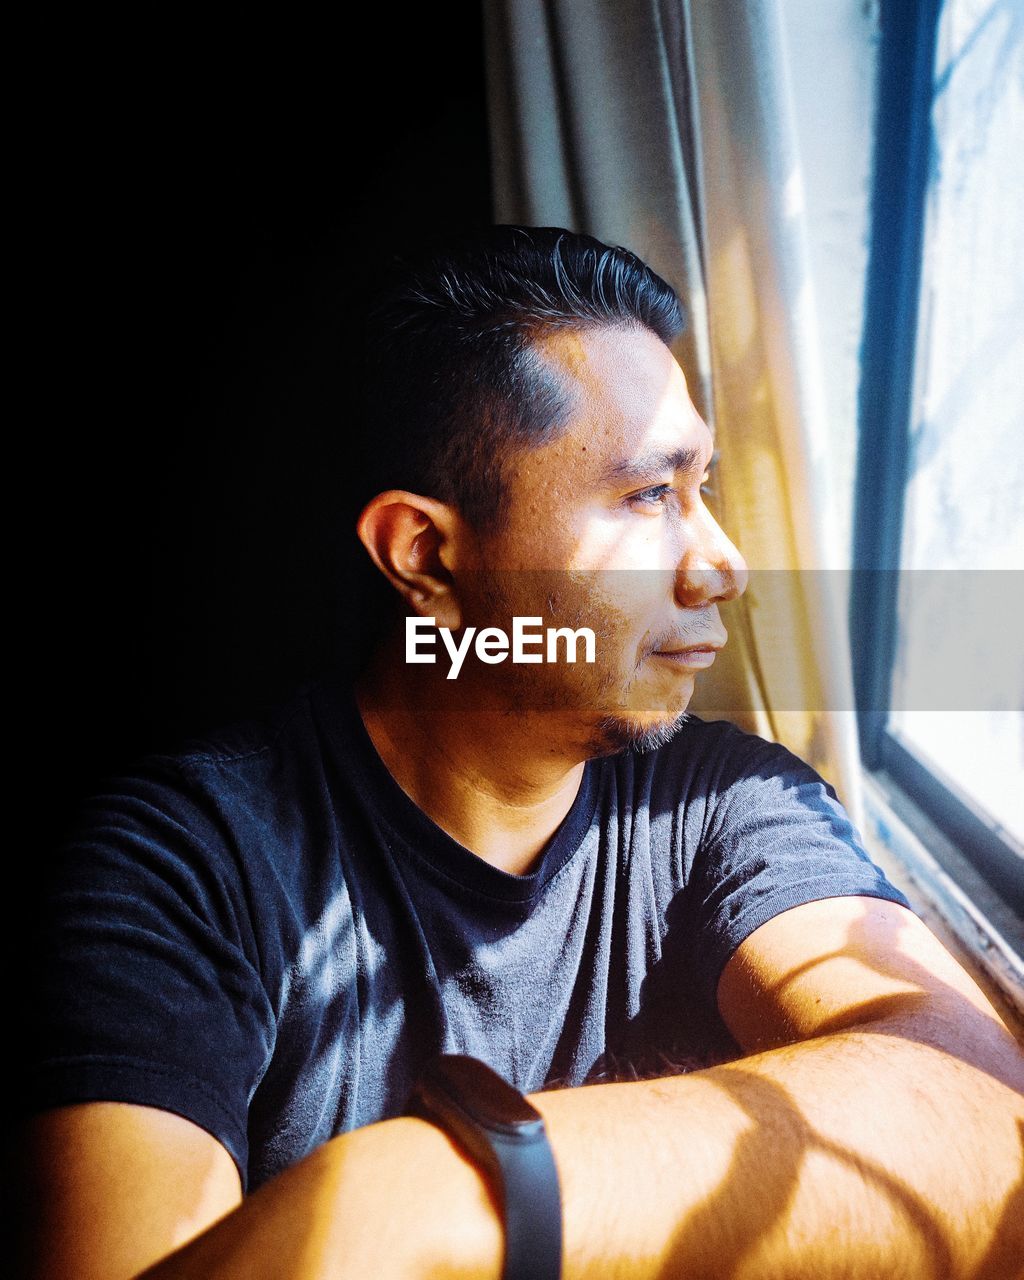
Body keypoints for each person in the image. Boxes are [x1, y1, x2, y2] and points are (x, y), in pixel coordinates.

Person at [17, 227, 1023, 1279]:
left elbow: (978, 1118)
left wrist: (434, 1193)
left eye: (703, 487)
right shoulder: (184, 865)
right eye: (649, 496)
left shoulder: (725, 799)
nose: (721, 562)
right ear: (426, 557)